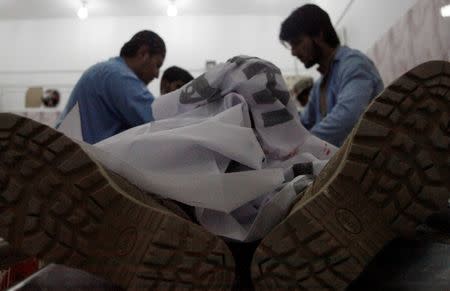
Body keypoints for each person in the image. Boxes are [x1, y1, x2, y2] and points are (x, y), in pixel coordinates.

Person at [0, 59, 449, 291]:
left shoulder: (166, 104)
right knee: (294, 181)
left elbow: (152, 121)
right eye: (156, 70)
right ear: (146, 55)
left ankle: (153, 213)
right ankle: (317, 198)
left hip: (179, 181)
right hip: (263, 181)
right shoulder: (119, 79)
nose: (157, 78)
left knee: (155, 182)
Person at [280, 4, 384, 146]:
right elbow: (303, 123)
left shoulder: (354, 65)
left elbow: (347, 118)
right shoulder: (319, 86)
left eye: (297, 42)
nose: (293, 52)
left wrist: (304, 147)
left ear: (318, 34)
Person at [55, 30, 165, 144]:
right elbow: (160, 122)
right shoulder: (119, 75)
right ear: (143, 53)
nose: (157, 75)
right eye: (157, 65)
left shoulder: (103, 71)